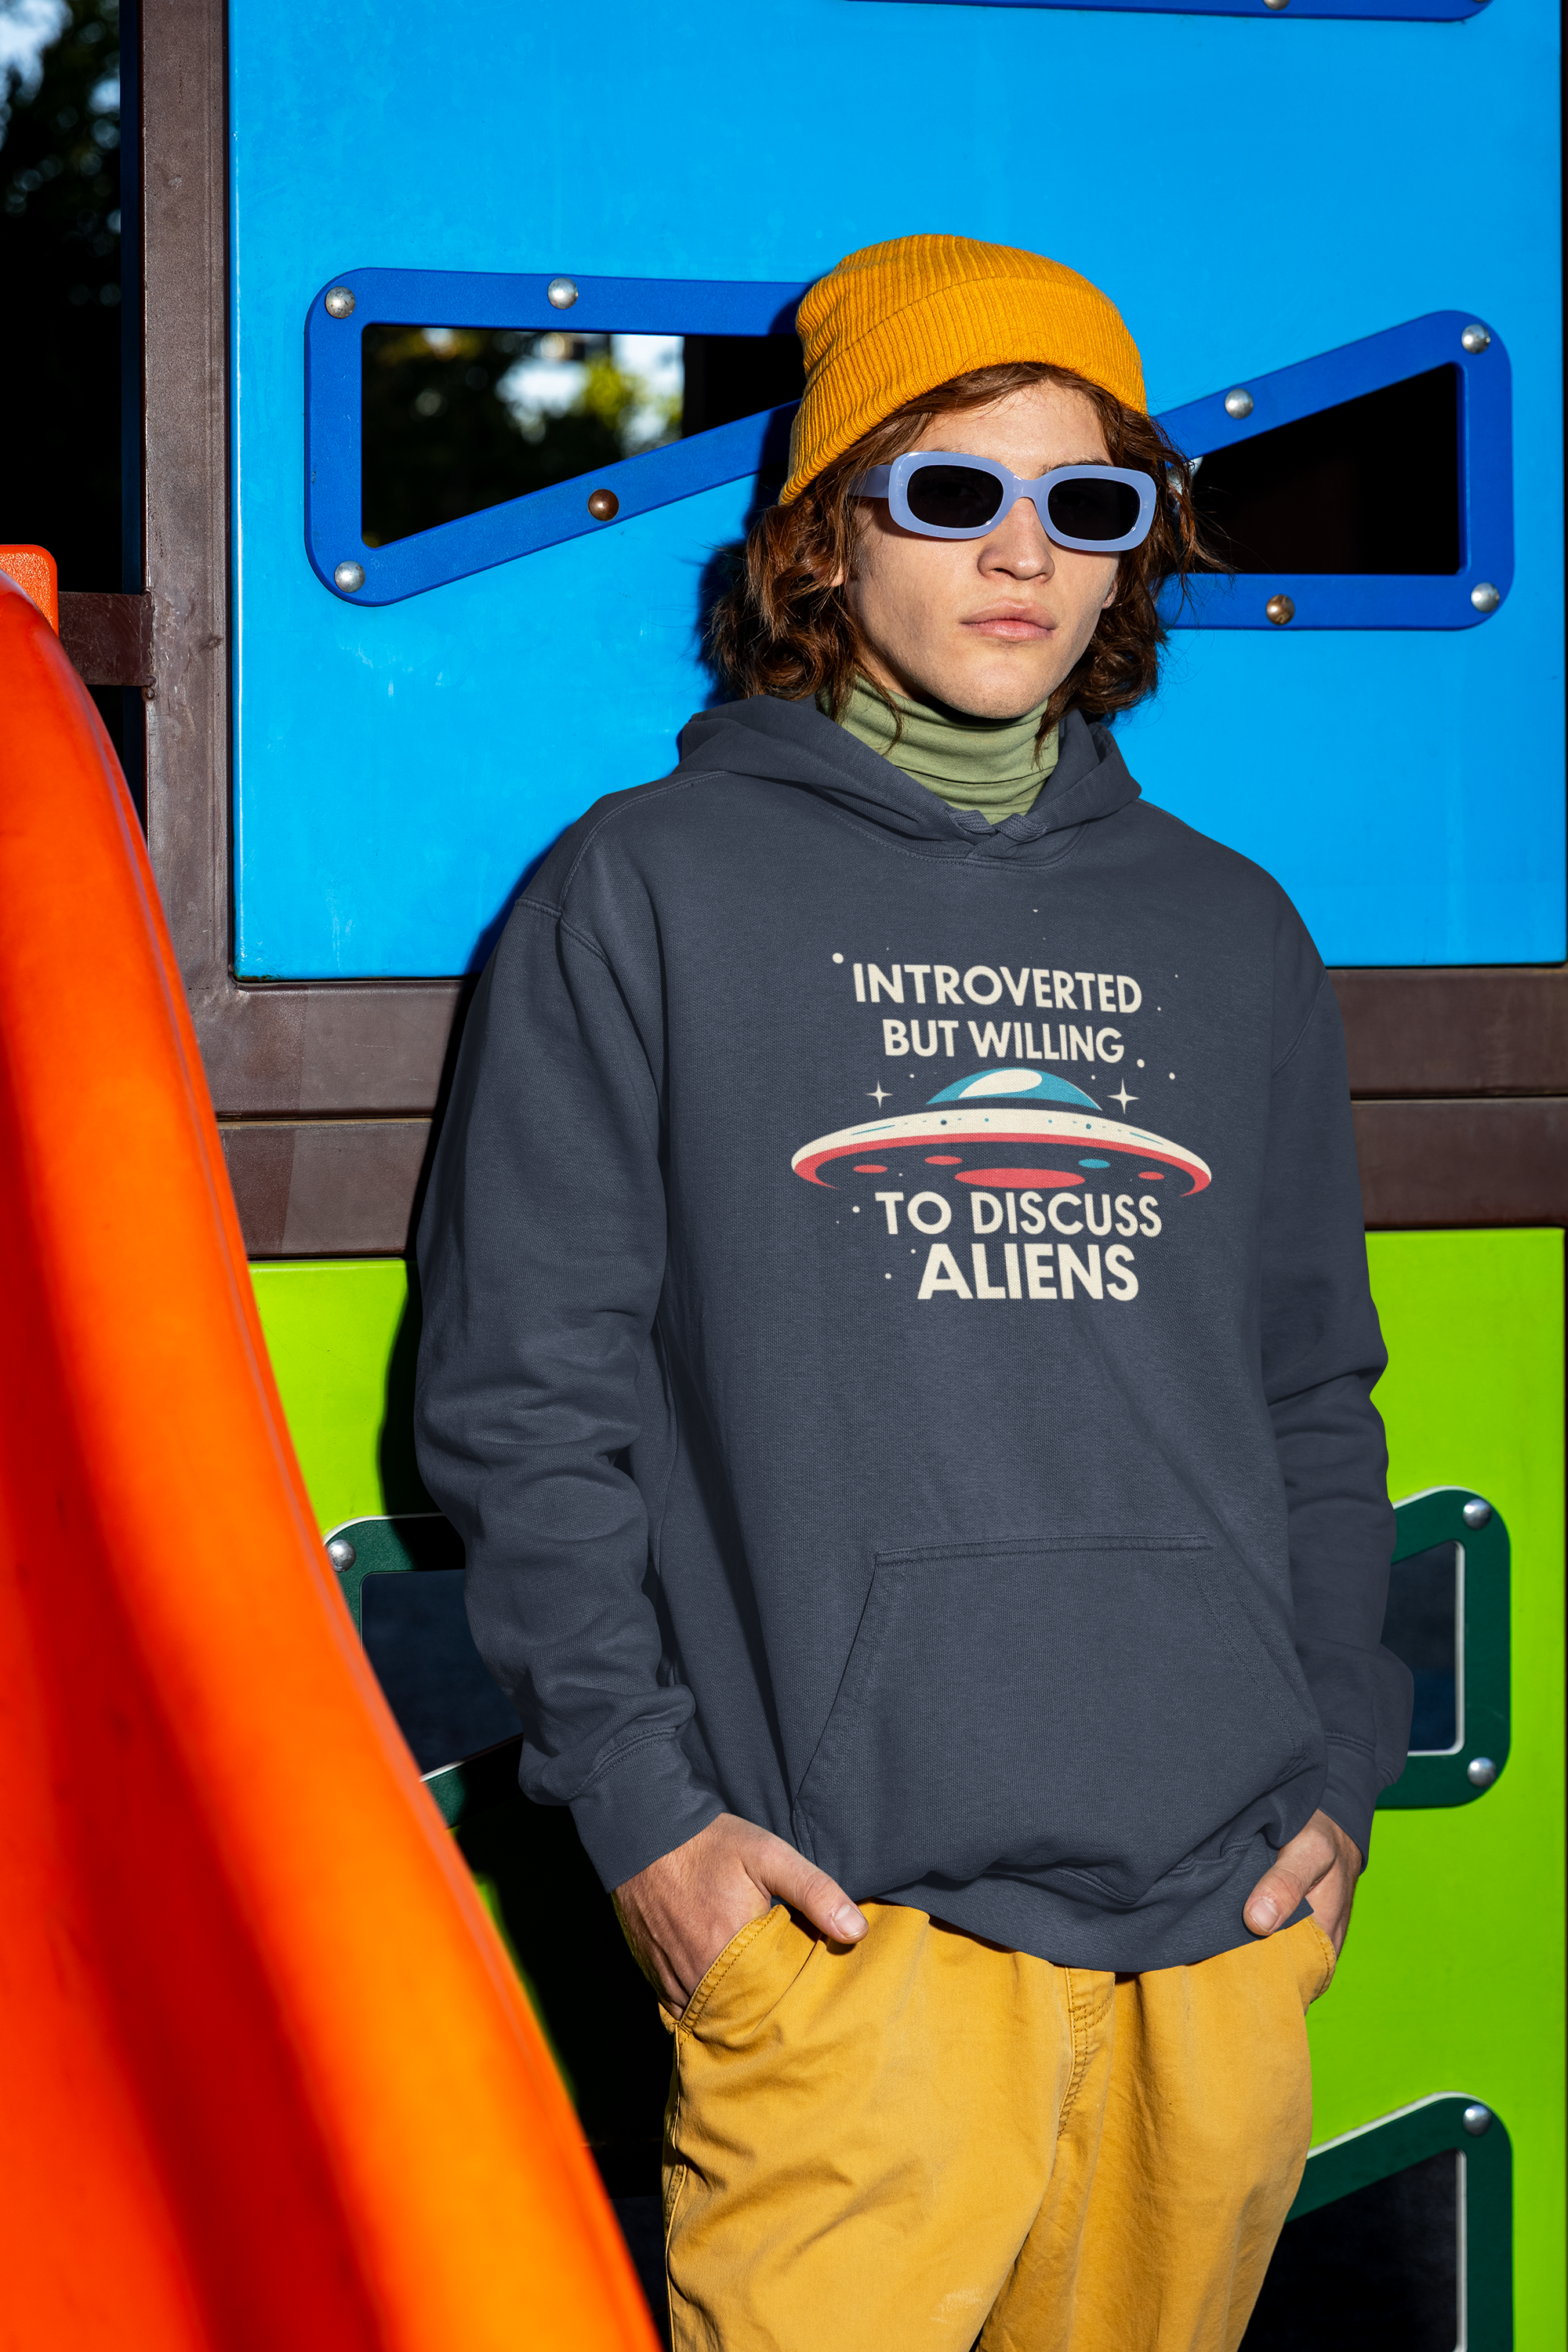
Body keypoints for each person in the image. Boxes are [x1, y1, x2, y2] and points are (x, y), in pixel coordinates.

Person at [414, 234, 1413, 2351]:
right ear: (827, 528)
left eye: (1089, 500)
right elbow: (518, 1403)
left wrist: (1338, 1760)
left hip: (1216, 1941)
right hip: (848, 1946)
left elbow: (1315, 1393)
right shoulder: (645, 894)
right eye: (953, 491)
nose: (1023, 554)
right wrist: (656, 1830)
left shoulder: (1234, 931)